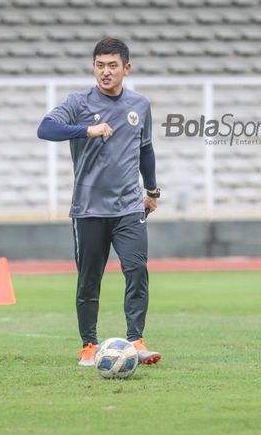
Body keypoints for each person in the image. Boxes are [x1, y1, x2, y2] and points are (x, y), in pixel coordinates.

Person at [37, 37, 161, 367]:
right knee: (89, 278)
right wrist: (86, 130)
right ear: (93, 67)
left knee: (136, 270)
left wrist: (152, 192)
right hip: (89, 209)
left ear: (126, 68)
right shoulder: (78, 103)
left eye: (112, 66)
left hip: (130, 208)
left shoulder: (140, 105)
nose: (106, 72)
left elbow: (145, 149)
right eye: (100, 65)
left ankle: (136, 340)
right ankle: (88, 346)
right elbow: (45, 129)